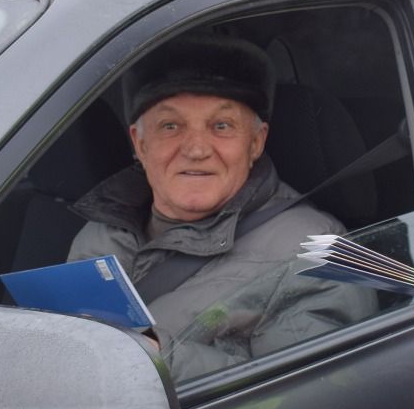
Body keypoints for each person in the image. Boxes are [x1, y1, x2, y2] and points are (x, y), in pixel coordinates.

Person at [68, 33, 375, 381]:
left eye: (222, 126)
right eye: (171, 126)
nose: (197, 149)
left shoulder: (317, 250)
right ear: (140, 143)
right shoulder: (100, 232)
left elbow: (305, 402)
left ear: (256, 143)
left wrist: (148, 355)